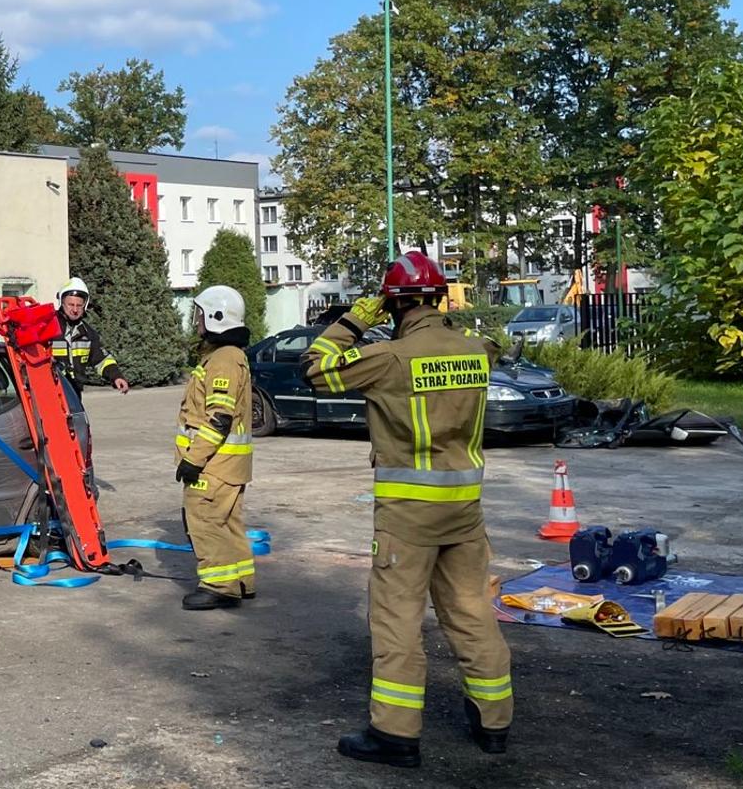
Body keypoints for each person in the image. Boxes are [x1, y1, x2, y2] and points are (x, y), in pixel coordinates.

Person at [303, 251, 512, 768]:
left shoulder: (391, 358)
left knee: (397, 621)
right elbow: (496, 346)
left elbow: (317, 369)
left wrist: (356, 318)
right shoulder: (475, 351)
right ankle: (495, 723)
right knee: (470, 612)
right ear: (440, 297)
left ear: (392, 303)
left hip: (408, 515)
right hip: (464, 509)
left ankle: (395, 735)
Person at [175, 285, 256, 610]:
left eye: (200, 315)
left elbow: (219, 417)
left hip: (213, 465)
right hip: (229, 466)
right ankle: (241, 580)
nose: (196, 320)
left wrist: (193, 460)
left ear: (215, 318)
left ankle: (219, 585)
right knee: (229, 523)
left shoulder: (222, 360)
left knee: (205, 520)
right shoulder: (230, 356)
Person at [53, 277, 130, 393]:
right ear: (62, 302)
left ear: (85, 305)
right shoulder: (47, 327)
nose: (75, 309)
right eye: (70, 304)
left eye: (79, 305)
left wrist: (116, 376)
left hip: (74, 392)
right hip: (49, 391)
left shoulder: (88, 333)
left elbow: (101, 359)